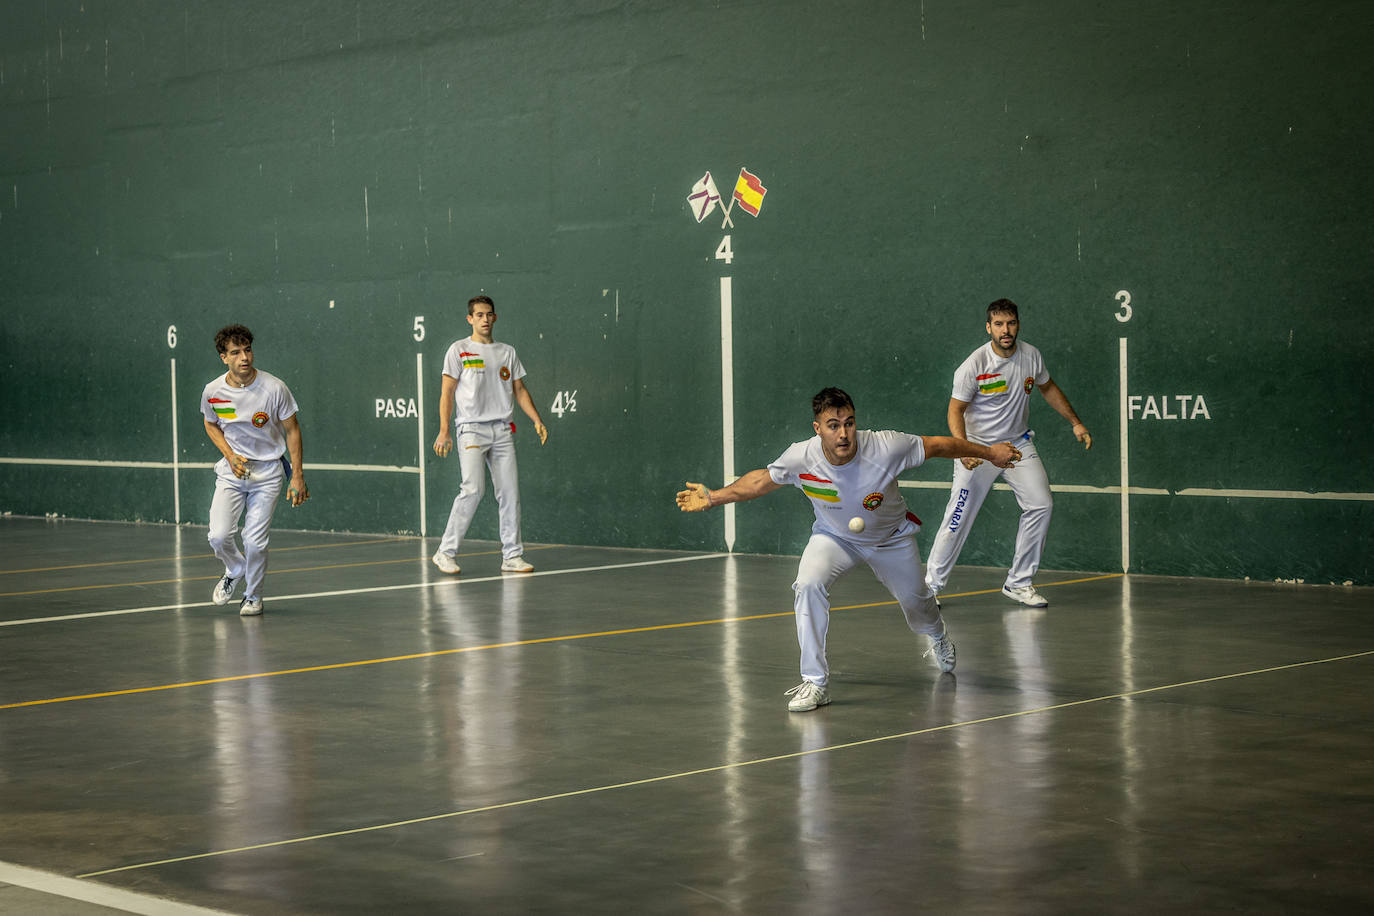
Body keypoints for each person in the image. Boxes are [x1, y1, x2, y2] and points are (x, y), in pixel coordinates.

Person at [676, 387, 1020, 712]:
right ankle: (815, 681)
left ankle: (937, 633)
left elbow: (939, 446)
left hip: (891, 539)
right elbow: (760, 481)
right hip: (834, 538)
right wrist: (714, 497)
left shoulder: (886, 446)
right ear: (818, 428)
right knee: (808, 585)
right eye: (833, 425)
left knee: (917, 602)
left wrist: (990, 453)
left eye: (849, 423)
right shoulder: (801, 456)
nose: (843, 434)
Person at [924, 298, 1092, 608]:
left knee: (1041, 504)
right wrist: (963, 450)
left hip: (1017, 446)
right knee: (958, 518)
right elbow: (955, 410)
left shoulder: (1031, 356)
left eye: (1011, 323)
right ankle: (930, 588)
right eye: (999, 324)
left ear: (1018, 325)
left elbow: (1048, 388)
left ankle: (1019, 582)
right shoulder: (973, 365)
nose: (1006, 330)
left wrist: (1076, 423)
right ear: (989, 327)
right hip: (978, 450)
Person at [432, 295, 548, 575]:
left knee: (510, 492)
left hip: (502, 430)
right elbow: (447, 392)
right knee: (473, 489)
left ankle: (512, 556)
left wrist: (536, 419)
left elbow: (519, 390)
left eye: (489, 314)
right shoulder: (458, 350)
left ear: (495, 318)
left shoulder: (507, 351)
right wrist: (444, 431)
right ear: (470, 319)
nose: (485, 319)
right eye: (479, 315)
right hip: (470, 429)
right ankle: (445, 553)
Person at [201, 324, 308, 617]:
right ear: (224, 357)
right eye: (235, 352)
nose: (244, 357)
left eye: (247, 350)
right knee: (218, 536)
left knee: (254, 541)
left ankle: (253, 596)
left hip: (268, 473)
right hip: (231, 473)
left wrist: (297, 475)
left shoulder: (274, 388)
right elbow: (211, 424)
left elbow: (292, 431)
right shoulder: (213, 391)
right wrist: (229, 455)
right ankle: (235, 567)